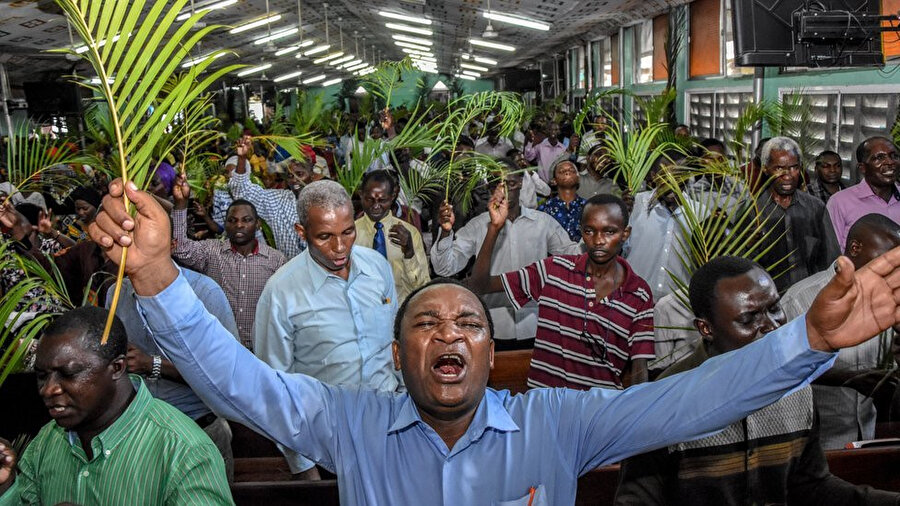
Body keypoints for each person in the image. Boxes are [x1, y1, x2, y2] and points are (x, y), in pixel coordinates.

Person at [87, 176, 900, 506]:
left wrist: (807, 341)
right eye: (425, 324)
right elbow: (242, 384)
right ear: (401, 356)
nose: (449, 332)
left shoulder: (558, 424)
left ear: (489, 348)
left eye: (468, 322)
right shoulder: (351, 427)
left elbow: (690, 399)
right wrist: (157, 278)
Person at [614, 257, 900, 506]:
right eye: (749, 319)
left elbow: (810, 487)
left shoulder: (796, 387)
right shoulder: (661, 404)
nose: (772, 326)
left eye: (774, 308)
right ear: (706, 328)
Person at [0, 306, 232, 505]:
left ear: (118, 368)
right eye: (42, 376)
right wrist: (5, 488)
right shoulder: (45, 444)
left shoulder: (184, 452)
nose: (48, 389)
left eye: (68, 374)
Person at [253, 179, 401, 478]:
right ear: (301, 232)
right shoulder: (281, 292)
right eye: (324, 237)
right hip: (328, 446)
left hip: (391, 432)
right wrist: (305, 468)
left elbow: (396, 349)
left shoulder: (377, 268)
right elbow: (274, 389)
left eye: (348, 232)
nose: (339, 247)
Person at [470, 192, 653, 389]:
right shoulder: (553, 271)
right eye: (590, 231)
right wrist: (494, 229)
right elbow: (481, 285)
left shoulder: (638, 293)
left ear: (625, 233)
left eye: (609, 232)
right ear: (581, 232)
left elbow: (639, 365)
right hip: (546, 406)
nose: (599, 240)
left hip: (599, 410)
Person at [109, 255, 240, 481]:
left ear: (168, 244)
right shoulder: (115, 293)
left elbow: (228, 375)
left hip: (200, 430)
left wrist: (152, 364)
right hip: (138, 435)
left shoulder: (204, 292)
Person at [431, 160, 582, 349]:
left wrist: (597, 232)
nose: (503, 192)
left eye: (509, 184)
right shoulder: (478, 225)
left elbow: (574, 256)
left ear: (520, 183)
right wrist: (445, 232)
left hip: (537, 324)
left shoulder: (543, 222)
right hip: (495, 326)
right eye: (497, 185)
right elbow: (445, 267)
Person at [781, 213, 900, 449]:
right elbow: (782, 369)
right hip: (816, 439)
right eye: (887, 258)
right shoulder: (799, 299)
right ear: (854, 247)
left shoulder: (889, 300)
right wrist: (849, 379)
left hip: (868, 434)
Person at [172, 176, 286, 348]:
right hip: (218, 346)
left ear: (257, 224)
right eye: (232, 221)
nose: (239, 225)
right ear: (225, 225)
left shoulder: (276, 261)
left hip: (260, 350)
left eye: (246, 220)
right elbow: (180, 248)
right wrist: (181, 203)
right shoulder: (212, 251)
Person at [753, 136, 839, 291]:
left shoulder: (815, 208)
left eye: (794, 167)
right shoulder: (752, 211)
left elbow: (831, 259)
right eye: (779, 168)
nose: (788, 175)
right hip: (768, 299)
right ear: (765, 168)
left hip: (809, 298)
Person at [626, 152, 706, 300]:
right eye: (665, 175)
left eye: (678, 176)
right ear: (653, 176)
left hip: (677, 304)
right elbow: (619, 248)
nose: (672, 182)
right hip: (634, 297)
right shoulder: (636, 204)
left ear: (687, 177)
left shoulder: (700, 213)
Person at [227, 136, 310, 259]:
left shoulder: (326, 199)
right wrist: (242, 158)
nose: (294, 180)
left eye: (299, 174)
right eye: (290, 176)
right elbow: (241, 191)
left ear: (312, 173)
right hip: (291, 273)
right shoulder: (278, 202)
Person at [355, 170, 429, 302]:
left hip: (398, 310)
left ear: (392, 196)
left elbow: (423, 287)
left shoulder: (410, 233)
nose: (375, 206)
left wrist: (409, 253)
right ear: (361, 195)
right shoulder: (350, 233)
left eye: (382, 200)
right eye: (369, 199)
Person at [827, 136, 900, 250]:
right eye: (879, 158)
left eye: (894, 156)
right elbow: (831, 253)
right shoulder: (839, 202)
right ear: (862, 168)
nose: (890, 162)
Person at [537, 160, 588, 242]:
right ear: (554, 181)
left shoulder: (588, 207)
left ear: (578, 178)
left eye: (572, 170)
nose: (567, 173)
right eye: (562, 171)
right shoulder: (544, 209)